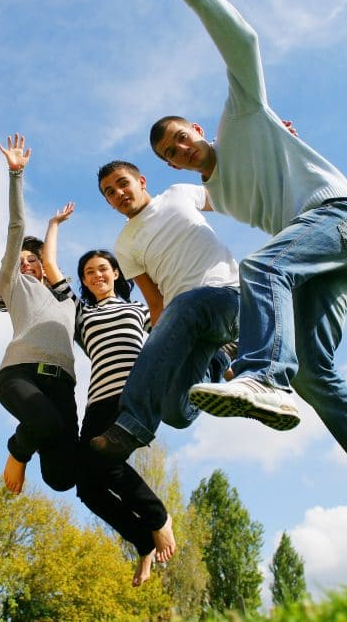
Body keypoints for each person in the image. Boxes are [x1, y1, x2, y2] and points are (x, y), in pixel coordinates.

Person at [143, 0, 347, 532]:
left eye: (182, 137)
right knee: (315, 372)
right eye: (171, 152)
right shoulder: (216, 196)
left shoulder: (242, 117)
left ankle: (263, 376)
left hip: (338, 218)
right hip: (328, 256)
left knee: (262, 268)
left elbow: (244, 43)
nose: (182, 150)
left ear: (198, 128)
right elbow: (175, 213)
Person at [41, 204, 175, 585]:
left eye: (103, 268)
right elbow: (51, 268)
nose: (96, 275)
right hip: (98, 401)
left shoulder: (138, 309)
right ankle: (143, 542)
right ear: (84, 281)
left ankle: (158, 518)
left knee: (107, 460)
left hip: (135, 395)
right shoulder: (81, 315)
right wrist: (53, 224)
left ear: (116, 273)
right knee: (87, 486)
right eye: (88, 272)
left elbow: (171, 327)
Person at [88, 161, 244, 465]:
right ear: (108, 201)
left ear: (141, 180)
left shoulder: (177, 194)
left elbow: (232, 197)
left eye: (123, 183)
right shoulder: (124, 245)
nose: (119, 193)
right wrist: (160, 350)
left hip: (227, 297)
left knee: (187, 302)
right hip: (187, 323)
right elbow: (156, 305)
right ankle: (220, 357)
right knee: (175, 412)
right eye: (110, 192)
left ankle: (132, 426)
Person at [0, 134, 78, 495]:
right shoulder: (12, 285)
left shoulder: (68, 300)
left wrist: (54, 227)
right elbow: (16, 229)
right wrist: (16, 176)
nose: (27, 264)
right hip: (21, 374)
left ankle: (39, 434)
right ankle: (17, 450)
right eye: (22, 261)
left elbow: (51, 260)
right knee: (43, 420)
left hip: (63, 383)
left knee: (62, 479)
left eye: (34, 260)